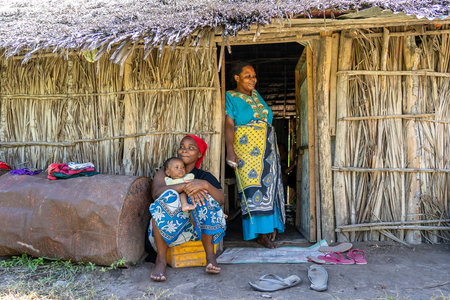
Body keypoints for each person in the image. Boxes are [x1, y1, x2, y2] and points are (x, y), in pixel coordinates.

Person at [148, 135, 226, 282]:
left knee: (205, 197)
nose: (185, 150)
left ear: (199, 154)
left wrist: (205, 185)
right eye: (182, 147)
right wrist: (184, 186)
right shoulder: (165, 171)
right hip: (165, 229)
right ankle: (161, 260)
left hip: (195, 231)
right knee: (168, 195)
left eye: (191, 148)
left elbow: (221, 200)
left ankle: (210, 257)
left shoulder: (204, 176)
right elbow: (156, 193)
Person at [225, 61, 285, 249]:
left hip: (267, 149)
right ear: (236, 78)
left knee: (270, 186)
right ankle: (258, 233)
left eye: (254, 75)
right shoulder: (230, 96)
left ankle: (270, 228)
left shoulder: (256, 96)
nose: (253, 79)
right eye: (247, 75)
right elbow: (229, 124)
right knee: (252, 189)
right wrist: (230, 150)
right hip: (246, 149)